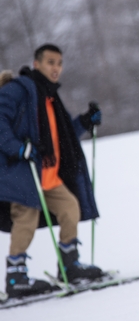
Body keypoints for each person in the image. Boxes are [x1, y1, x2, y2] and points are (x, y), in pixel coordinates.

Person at [0, 44, 104, 299]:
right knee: (25, 217)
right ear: (37, 64)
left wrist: (86, 121)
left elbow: (64, 133)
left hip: (47, 175)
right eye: (50, 62)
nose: (55, 68)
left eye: (59, 63)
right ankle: (16, 277)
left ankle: (69, 266)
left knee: (70, 207)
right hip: (21, 171)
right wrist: (18, 148)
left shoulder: (50, 97)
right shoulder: (19, 89)